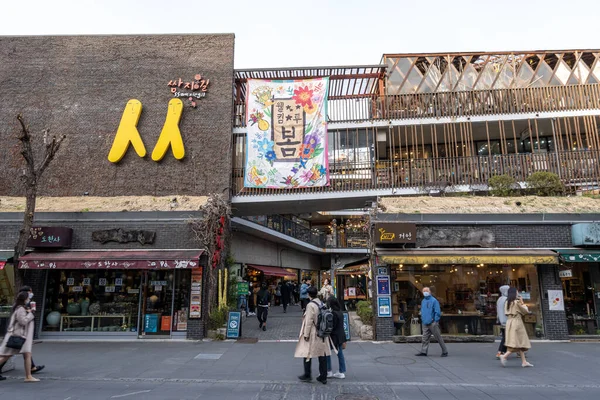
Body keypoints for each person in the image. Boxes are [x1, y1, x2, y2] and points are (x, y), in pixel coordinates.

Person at [0, 286, 45, 380]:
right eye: (28, 297)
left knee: (26, 354)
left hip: (21, 336)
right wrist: (31, 313)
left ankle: (29, 375)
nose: (29, 298)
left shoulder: (21, 307)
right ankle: (29, 375)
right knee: (5, 356)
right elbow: (23, 321)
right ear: (24, 298)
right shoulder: (20, 308)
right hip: (18, 335)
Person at [295, 286, 331, 384]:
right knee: (322, 353)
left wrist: (305, 334)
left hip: (313, 332)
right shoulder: (321, 302)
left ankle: (307, 374)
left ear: (309, 294)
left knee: (307, 352)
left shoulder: (310, 305)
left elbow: (309, 321)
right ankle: (323, 376)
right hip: (322, 331)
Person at [500, 288, 533, 368]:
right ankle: (504, 356)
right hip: (517, 322)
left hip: (509, 321)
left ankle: (524, 361)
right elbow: (525, 311)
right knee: (517, 341)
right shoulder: (516, 302)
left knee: (518, 341)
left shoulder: (507, 302)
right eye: (517, 292)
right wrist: (522, 302)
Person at [415, 287, 448, 357]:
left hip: (432, 323)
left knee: (438, 337)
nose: (425, 292)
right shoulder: (423, 301)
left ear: (429, 292)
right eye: (424, 291)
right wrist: (422, 318)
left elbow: (437, 311)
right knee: (424, 338)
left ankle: (445, 351)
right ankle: (424, 351)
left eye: (426, 291)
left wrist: (435, 320)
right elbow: (422, 311)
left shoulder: (434, 301)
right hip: (425, 322)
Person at [325, 297, 347, 379]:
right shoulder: (340, 312)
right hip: (341, 335)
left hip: (334, 336)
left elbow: (332, 326)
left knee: (327, 352)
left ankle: (329, 370)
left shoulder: (333, 314)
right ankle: (341, 371)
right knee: (340, 353)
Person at [495, 285, 510, 359]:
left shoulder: (499, 299)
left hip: (501, 320)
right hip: (507, 320)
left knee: (506, 336)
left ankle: (503, 352)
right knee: (506, 337)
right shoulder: (506, 299)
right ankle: (500, 352)